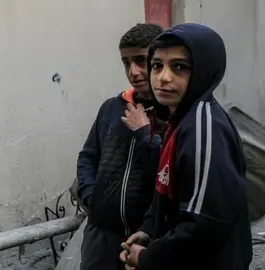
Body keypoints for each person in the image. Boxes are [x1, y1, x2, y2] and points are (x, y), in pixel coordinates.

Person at [120, 23, 253, 270]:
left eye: (180, 67)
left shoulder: (204, 125)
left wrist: (148, 258)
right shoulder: (180, 119)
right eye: (157, 65)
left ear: (204, 71)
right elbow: (170, 190)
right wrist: (150, 229)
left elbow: (204, 223)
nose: (163, 77)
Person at [76, 23, 168, 270]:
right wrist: (91, 197)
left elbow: (167, 174)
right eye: (126, 63)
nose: (133, 71)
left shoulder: (174, 114)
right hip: (101, 234)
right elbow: (88, 156)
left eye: (141, 60)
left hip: (148, 235)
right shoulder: (112, 108)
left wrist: (144, 133)